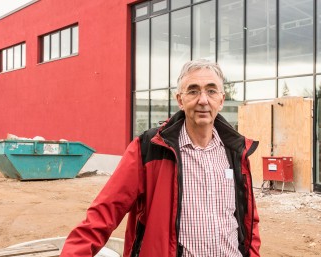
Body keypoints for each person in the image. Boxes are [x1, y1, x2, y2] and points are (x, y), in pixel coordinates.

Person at [61, 59, 260, 257]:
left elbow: (249, 221)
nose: (203, 100)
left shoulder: (235, 152)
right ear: (180, 100)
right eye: (193, 91)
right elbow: (104, 213)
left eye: (211, 90)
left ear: (221, 100)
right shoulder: (149, 148)